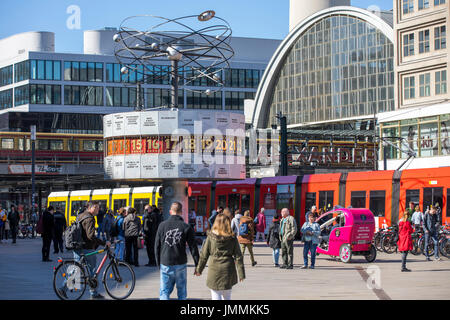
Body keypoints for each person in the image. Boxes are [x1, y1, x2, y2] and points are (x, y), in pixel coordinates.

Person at [155, 201, 199, 300]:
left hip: (165, 262)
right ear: (181, 212)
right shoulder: (186, 227)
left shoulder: (162, 225)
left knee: (164, 292)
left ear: (170, 211)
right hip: (180, 262)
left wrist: (158, 263)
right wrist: (197, 265)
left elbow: (157, 246)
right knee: (182, 292)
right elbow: (193, 247)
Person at [195, 213, 245, 300]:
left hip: (214, 270)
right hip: (228, 270)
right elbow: (238, 256)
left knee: (215, 296)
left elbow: (204, 255)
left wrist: (199, 270)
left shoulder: (210, 237)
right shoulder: (232, 238)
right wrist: (241, 274)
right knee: (227, 297)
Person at [71, 201, 110, 300]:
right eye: (96, 208)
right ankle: (94, 293)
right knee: (93, 271)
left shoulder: (80, 215)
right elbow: (90, 236)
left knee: (76, 270)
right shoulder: (90, 218)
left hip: (77, 246)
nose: (98, 210)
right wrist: (103, 243)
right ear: (91, 208)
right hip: (87, 248)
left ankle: (63, 289)